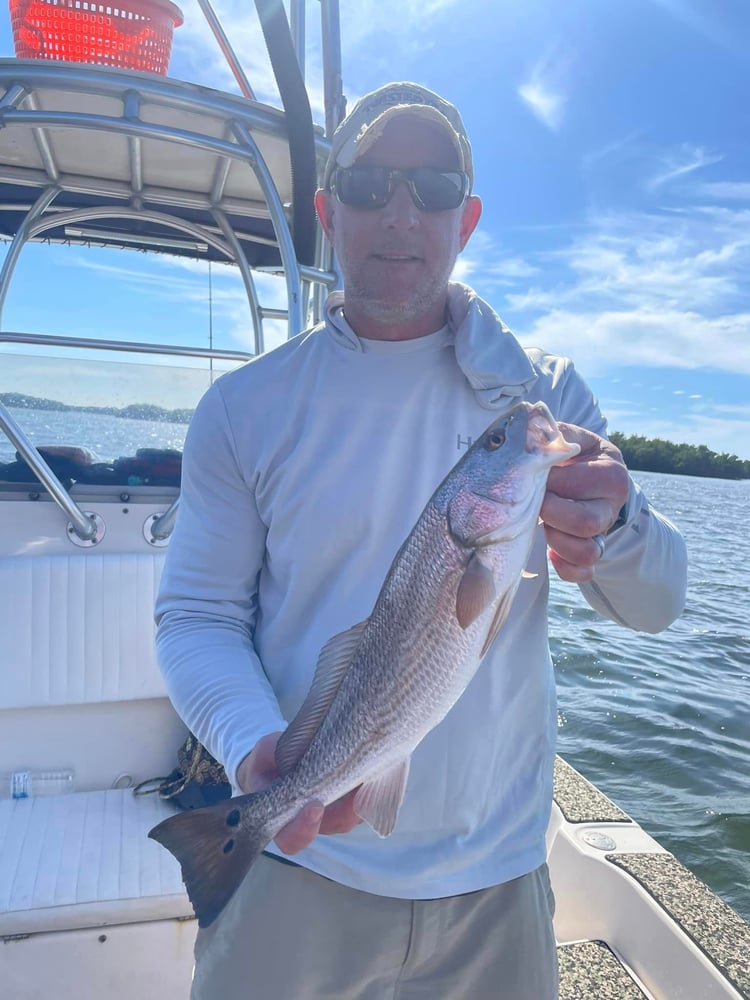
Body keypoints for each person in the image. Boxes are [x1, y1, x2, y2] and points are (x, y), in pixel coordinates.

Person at [155, 82, 687, 999]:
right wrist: (257, 748)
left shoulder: (538, 395)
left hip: (498, 877)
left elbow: (659, 606)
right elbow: (196, 613)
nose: (401, 213)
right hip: (299, 859)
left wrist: (621, 523)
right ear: (327, 213)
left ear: (467, 219)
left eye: (434, 187)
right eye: (369, 185)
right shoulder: (247, 407)